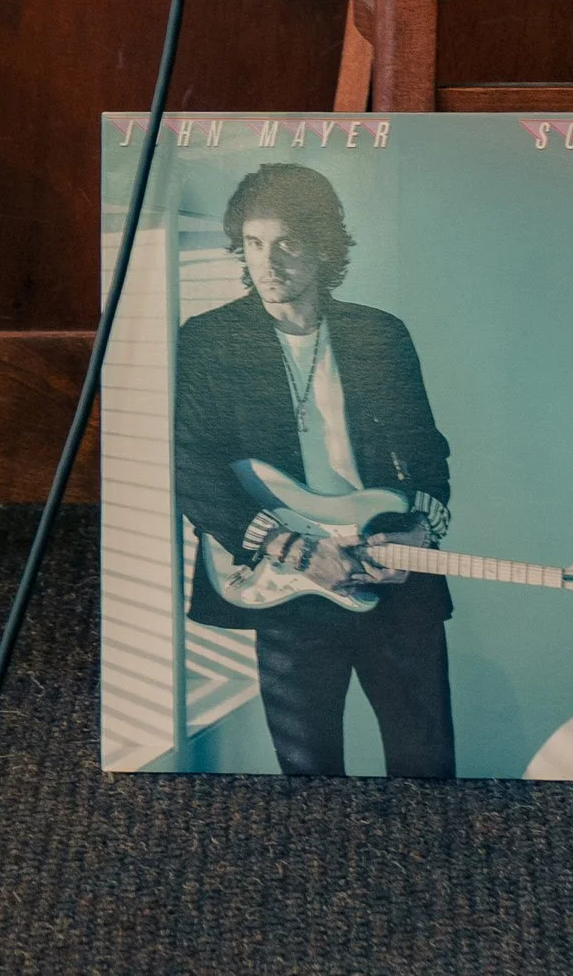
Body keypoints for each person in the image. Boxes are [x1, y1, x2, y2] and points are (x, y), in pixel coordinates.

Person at [175, 162, 455, 778]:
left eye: (287, 244)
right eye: (253, 244)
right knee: (308, 778)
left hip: (393, 578)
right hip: (288, 587)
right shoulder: (210, 339)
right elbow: (190, 467)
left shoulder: (379, 334)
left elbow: (428, 453)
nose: (266, 263)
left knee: (429, 770)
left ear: (324, 248)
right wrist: (294, 550)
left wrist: (421, 531)